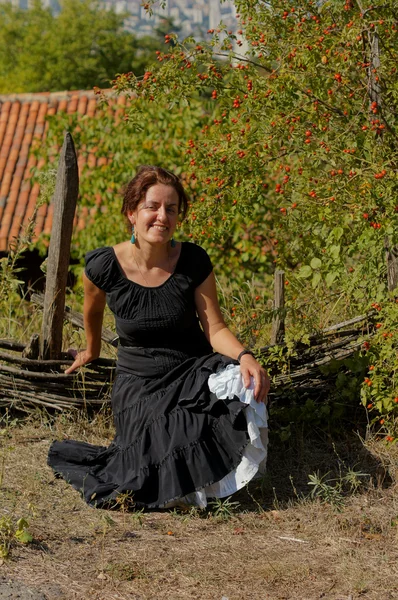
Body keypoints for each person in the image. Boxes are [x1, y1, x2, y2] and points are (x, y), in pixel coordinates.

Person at [48, 165, 270, 509]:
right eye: (152, 206)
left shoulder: (193, 260)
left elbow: (215, 328)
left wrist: (245, 356)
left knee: (239, 385)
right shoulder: (102, 267)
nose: (161, 216)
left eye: (171, 208)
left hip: (194, 370)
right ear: (131, 212)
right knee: (161, 443)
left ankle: (224, 482)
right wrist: (91, 350)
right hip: (140, 384)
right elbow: (91, 313)